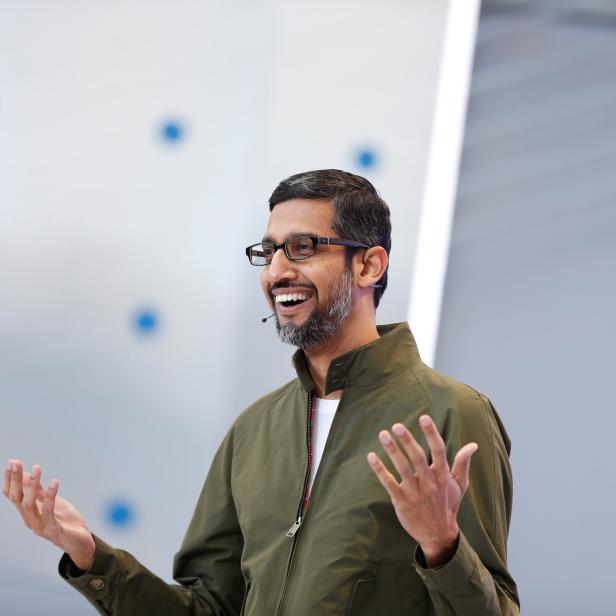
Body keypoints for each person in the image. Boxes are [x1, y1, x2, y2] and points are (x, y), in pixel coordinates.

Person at [3, 169, 519, 615]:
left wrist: (442, 545)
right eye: (269, 252)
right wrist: (92, 558)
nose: (277, 272)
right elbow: (209, 608)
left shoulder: (451, 414)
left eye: (303, 248)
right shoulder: (254, 430)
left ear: (368, 265)